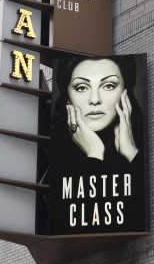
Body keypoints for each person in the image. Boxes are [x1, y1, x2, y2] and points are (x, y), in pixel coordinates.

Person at [48, 55, 146, 235]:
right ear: (67, 98)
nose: (94, 100)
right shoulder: (51, 166)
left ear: (125, 92)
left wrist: (132, 152)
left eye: (108, 86)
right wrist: (94, 153)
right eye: (82, 87)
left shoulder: (141, 151)